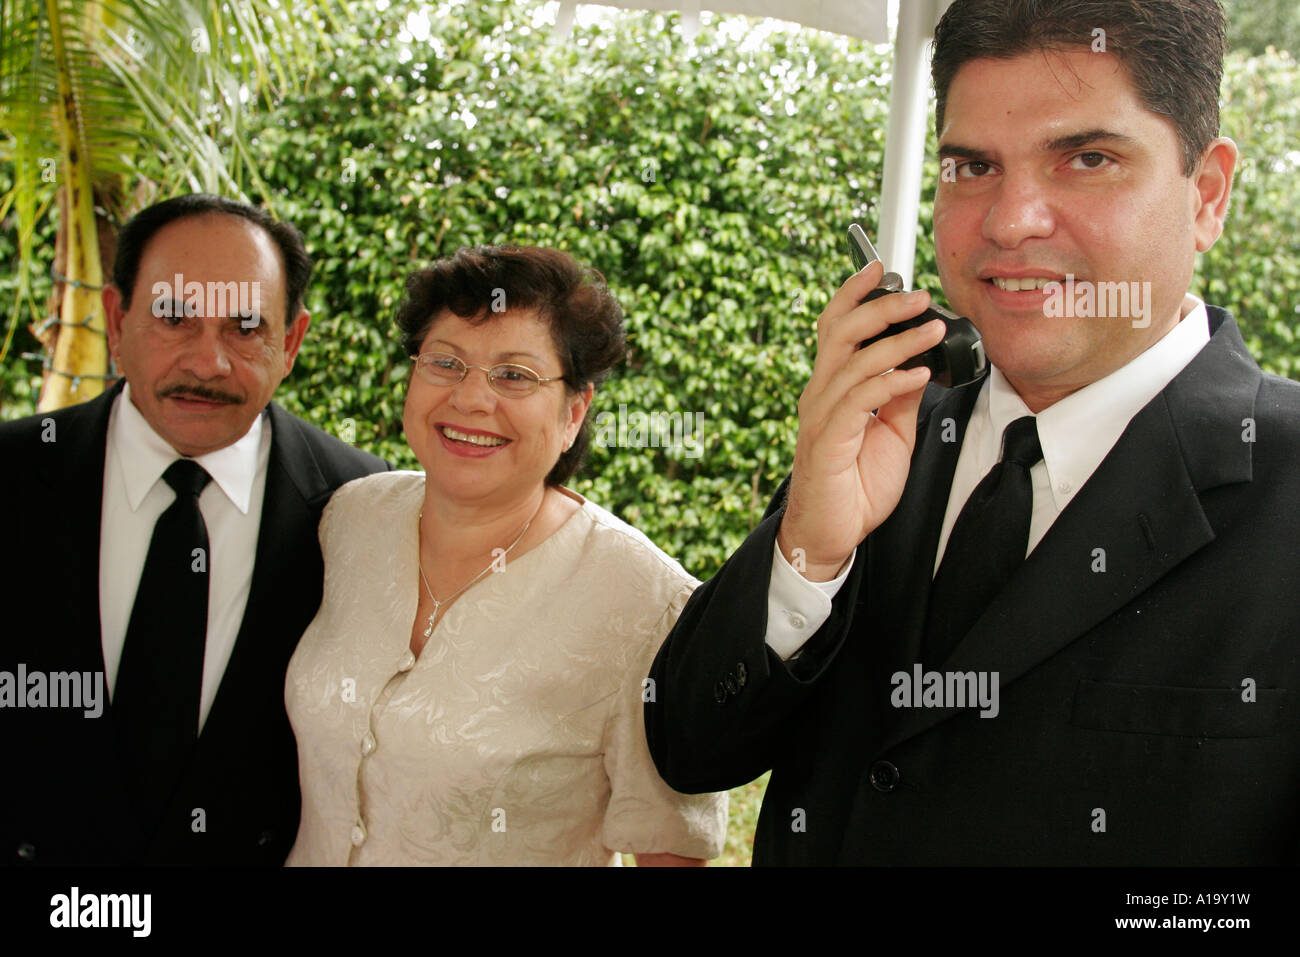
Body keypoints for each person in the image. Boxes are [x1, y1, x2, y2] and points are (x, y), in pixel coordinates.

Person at [646, 0, 1300, 865]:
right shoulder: (886, 440)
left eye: (1088, 158)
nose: (1010, 221)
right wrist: (810, 547)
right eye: (973, 167)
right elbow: (689, 748)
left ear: (1207, 194)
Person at [284, 245, 726, 866]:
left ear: (574, 412)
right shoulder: (350, 519)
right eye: (445, 363)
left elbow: (669, 851)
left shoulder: (646, 604)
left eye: (514, 375)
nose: (470, 399)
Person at [0, 194, 388, 866]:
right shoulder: (9, 476)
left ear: (290, 342)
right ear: (118, 321)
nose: (208, 362)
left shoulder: (358, 506)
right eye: (175, 317)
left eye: (245, 328)